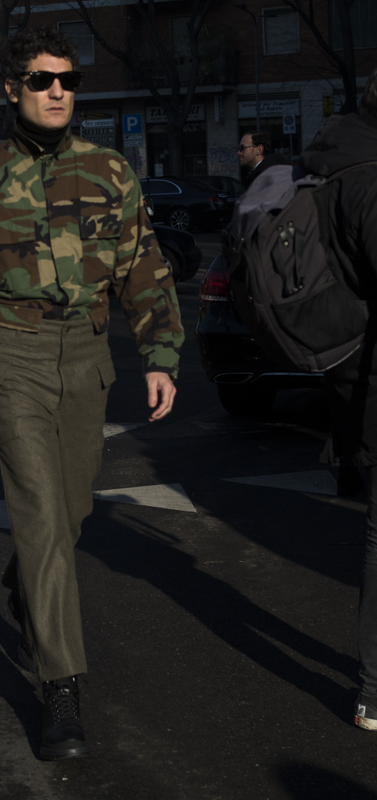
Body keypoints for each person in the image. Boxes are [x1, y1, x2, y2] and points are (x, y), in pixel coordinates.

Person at [0, 26, 184, 759]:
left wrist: (160, 354)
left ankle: (24, 584)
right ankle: (61, 689)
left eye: (68, 82)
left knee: (67, 517)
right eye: (43, 80)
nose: (56, 94)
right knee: (42, 517)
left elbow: (145, 266)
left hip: (88, 358)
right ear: (13, 87)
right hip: (12, 354)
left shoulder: (109, 169)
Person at [299, 66, 377, 730]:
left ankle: (375, 688)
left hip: (350, 366)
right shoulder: (370, 178)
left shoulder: (335, 157)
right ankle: (376, 688)